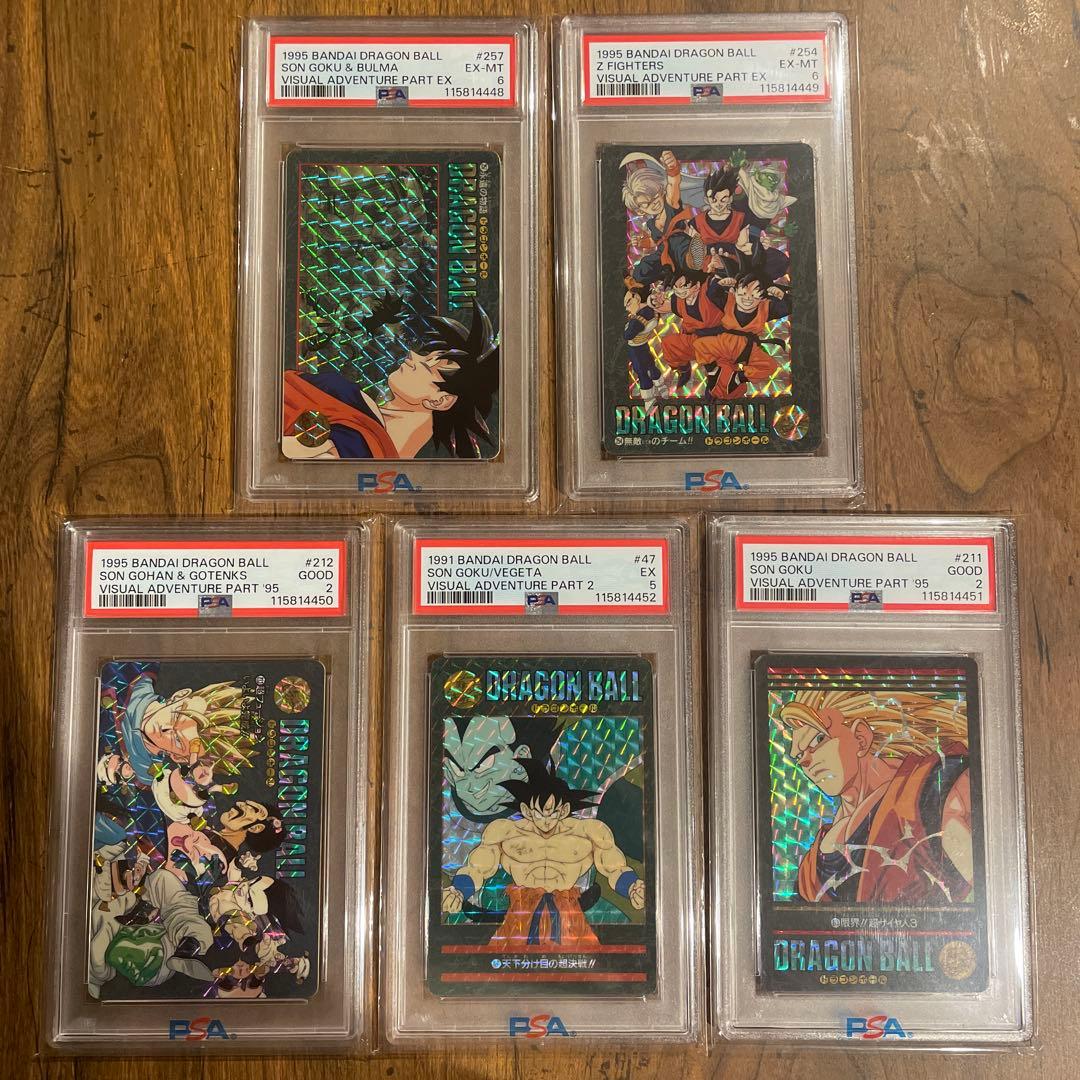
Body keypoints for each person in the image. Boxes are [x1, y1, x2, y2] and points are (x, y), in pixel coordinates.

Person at [776, 689, 974, 904]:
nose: (805, 761)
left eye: (818, 739)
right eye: (799, 755)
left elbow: (984, 885)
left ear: (860, 738)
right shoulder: (813, 864)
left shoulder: (933, 786)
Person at [441, 760, 644, 949]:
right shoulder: (505, 831)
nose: (546, 821)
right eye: (538, 813)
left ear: (564, 809)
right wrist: (459, 890)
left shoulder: (589, 831)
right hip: (520, 912)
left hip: (570, 911)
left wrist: (632, 887)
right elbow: (478, 868)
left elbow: (614, 867)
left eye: (552, 812)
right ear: (526, 810)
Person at [283, 302, 498, 460]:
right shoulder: (358, 407)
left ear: (440, 400)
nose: (413, 356)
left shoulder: (365, 442)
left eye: (427, 366)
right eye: (425, 355)